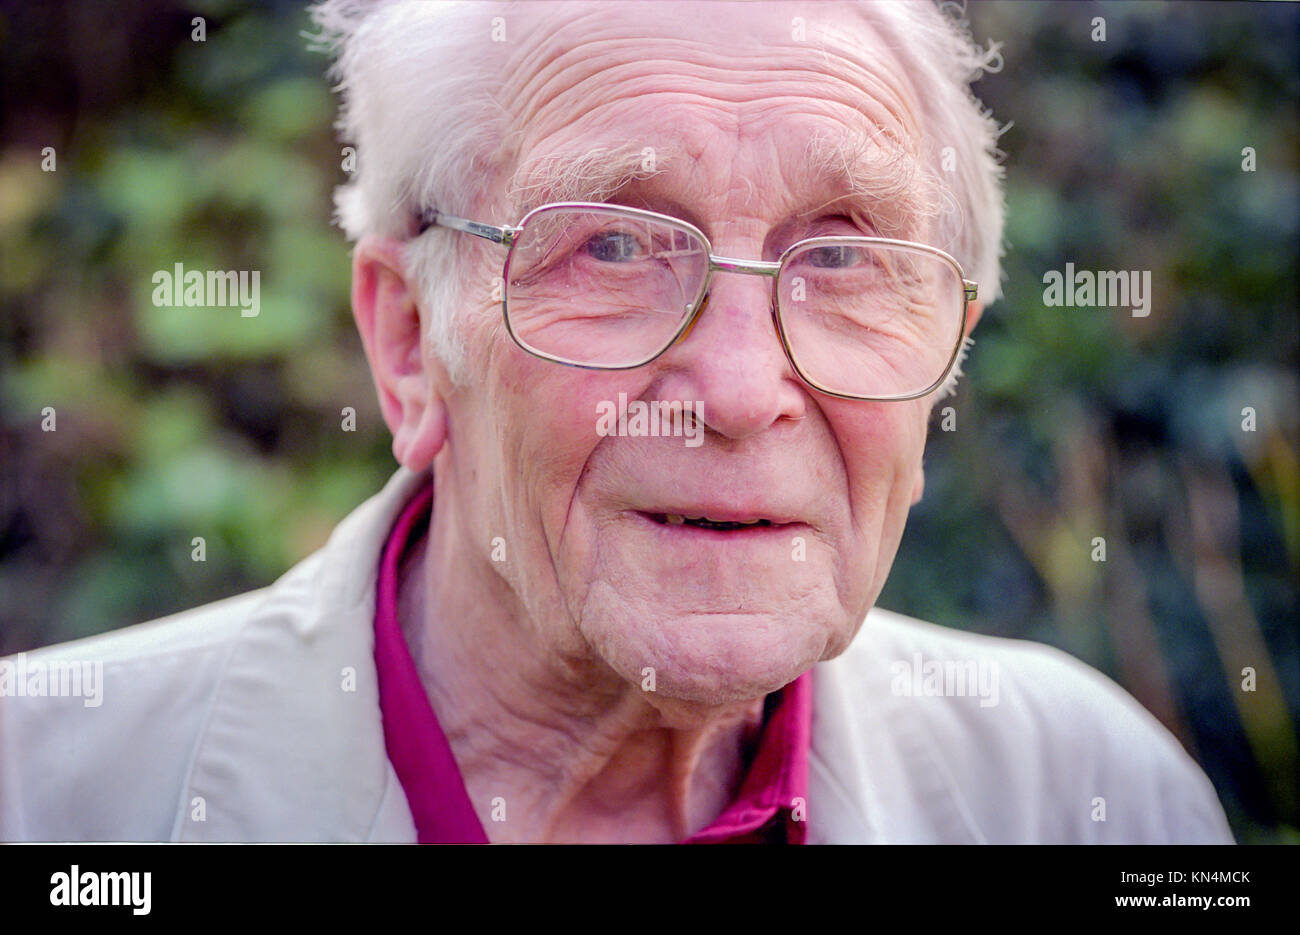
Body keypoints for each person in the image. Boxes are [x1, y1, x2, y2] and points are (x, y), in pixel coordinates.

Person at [0, 0, 1233, 844]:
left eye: (845, 256)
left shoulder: (1095, 794)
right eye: (616, 244)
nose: (745, 391)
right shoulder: (44, 793)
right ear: (409, 345)